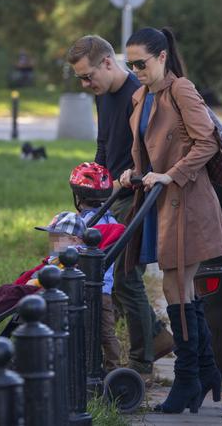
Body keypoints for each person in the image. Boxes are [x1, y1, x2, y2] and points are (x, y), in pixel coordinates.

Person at [119, 27, 222, 414]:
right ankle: (205, 372)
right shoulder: (141, 95)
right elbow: (147, 150)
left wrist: (171, 174)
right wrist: (133, 173)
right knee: (183, 292)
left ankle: (187, 381)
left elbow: (207, 142)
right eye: (129, 64)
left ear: (162, 57)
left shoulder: (181, 89)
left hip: (188, 204)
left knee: (175, 288)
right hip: (160, 204)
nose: (135, 70)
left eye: (141, 63)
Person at [67, 35, 174, 380]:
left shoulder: (136, 94)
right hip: (109, 194)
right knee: (107, 272)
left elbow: (151, 148)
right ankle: (156, 335)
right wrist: (92, 188)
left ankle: (142, 364)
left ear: (108, 63)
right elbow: (104, 143)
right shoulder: (104, 96)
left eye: (88, 76)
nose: (86, 84)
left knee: (125, 275)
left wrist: (132, 180)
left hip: (134, 193)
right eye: (80, 79)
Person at [0, 162, 125, 371]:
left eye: (57, 239)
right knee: (8, 288)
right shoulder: (77, 236)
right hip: (48, 284)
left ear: (75, 240)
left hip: (84, 291)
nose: (53, 244)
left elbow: (94, 249)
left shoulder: (81, 247)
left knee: (105, 334)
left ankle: (112, 369)